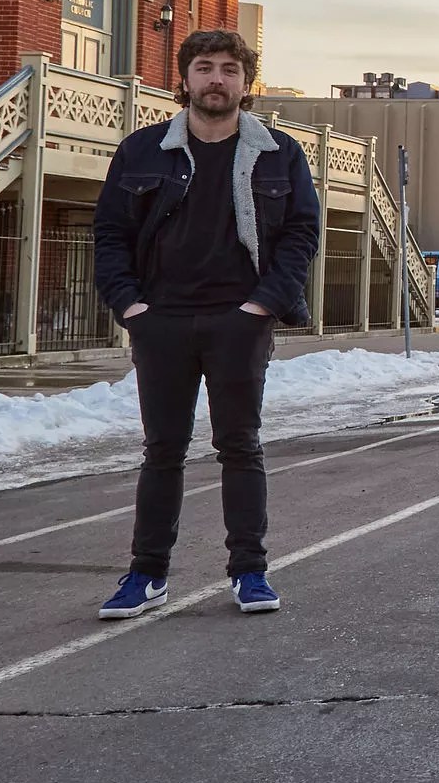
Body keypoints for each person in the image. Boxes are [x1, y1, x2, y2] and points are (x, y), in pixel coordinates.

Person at [92, 30, 319, 619]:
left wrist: (263, 306)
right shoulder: (143, 150)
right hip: (161, 320)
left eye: (229, 69)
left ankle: (249, 572)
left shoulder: (279, 153)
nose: (217, 79)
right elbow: (111, 233)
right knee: (162, 450)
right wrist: (131, 307)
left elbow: (301, 234)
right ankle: (147, 575)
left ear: (246, 82)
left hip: (239, 320)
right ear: (185, 78)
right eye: (204, 67)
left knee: (239, 446)